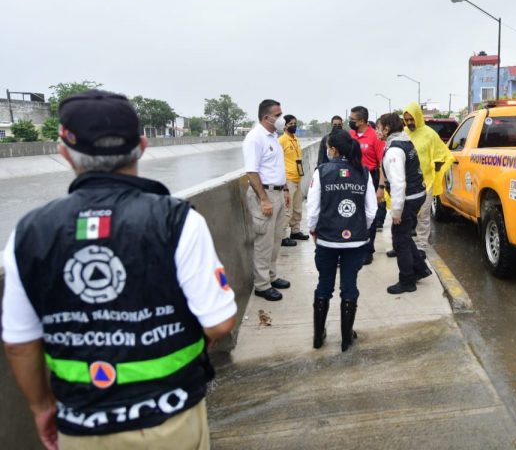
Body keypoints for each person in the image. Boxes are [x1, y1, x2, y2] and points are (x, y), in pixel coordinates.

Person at [2, 90, 237, 450]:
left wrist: (41, 407)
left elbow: (19, 343)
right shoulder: (176, 220)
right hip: (170, 418)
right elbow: (219, 322)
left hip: (81, 422)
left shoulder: (29, 232)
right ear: (143, 146)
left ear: (63, 152)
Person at [306, 131, 377, 351]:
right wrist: (358, 229)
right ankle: (346, 339)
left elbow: (313, 209)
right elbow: (371, 211)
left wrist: (313, 230)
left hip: (327, 241)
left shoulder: (321, 172)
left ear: (334, 150)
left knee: (324, 285)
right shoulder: (363, 173)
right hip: (354, 243)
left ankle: (319, 337)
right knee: (349, 286)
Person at [242, 99, 293, 301]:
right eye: (278, 115)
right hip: (264, 194)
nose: (282, 118)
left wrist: (286, 190)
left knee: (276, 238)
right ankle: (262, 285)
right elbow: (252, 172)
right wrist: (264, 199)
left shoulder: (273, 137)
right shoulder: (255, 138)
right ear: (266, 117)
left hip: (278, 193)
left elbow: (277, 168)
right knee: (264, 241)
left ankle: (271, 276)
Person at [376, 113, 432, 294]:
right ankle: (420, 269)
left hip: (408, 198)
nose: (377, 131)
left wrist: (396, 211)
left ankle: (407, 280)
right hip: (417, 194)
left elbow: (399, 183)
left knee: (400, 239)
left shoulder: (394, 150)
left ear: (387, 129)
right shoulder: (405, 141)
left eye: (379, 127)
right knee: (406, 235)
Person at [402, 102, 454, 255]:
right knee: (405, 215)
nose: (409, 122)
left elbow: (442, 153)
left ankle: (421, 246)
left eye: (412, 119)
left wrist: (434, 168)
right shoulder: (403, 133)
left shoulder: (430, 134)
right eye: (407, 120)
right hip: (407, 182)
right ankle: (404, 245)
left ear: (418, 117)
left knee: (423, 214)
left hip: (426, 182)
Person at [348, 106, 386, 265]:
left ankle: (368, 250)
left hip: (370, 177)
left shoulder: (375, 137)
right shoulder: (350, 135)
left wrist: (381, 187)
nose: (350, 122)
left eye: (352, 120)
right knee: (352, 214)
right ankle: (354, 246)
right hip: (351, 177)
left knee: (369, 215)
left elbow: (382, 163)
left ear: (362, 121)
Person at [278, 114, 309, 243]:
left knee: (297, 208)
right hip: (288, 180)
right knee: (287, 209)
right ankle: (283, 236)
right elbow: (278, 162)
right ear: (284, 126)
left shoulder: (295, 139)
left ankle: (295, 231)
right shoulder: (281, 141)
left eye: (295, 123)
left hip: (298, 178)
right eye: (291, 124)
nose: (294, 126)